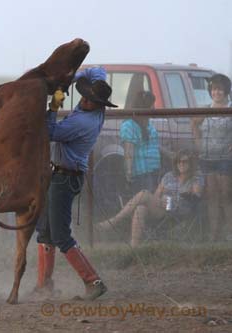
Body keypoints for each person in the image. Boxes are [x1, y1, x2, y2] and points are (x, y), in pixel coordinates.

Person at [34, 67, 117, 300]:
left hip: (64, 178)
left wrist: (53, 107)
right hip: (63, 175)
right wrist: (76, 75)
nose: (83, 99)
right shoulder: (95, 113)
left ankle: (93, 281)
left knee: (59, 235)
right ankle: (44, 285)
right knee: (46, 231)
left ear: (96, 103)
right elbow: (99, 70)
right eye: (84, 94)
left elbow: (49, 132)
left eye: (88, 98)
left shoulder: (82, 122)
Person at [97, 149, 204, 246]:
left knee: (144, 193)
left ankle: (114, 221)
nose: (181, 164)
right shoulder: (169, 176)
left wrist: (176, 194)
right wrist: (161, 200)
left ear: (190, 163)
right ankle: (134, 247)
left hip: (180, 210)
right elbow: (156, 195)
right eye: (178, 162)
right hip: (163, 208)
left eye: (185, 161)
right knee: (140, 209)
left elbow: (195, 195)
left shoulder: (196, 178)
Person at [190, 73, 232, 241]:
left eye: (220, 89)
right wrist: (198, 141)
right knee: (212, 197)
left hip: (225, 159)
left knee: (226, 195)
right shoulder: (205, 108)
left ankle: (229, 232)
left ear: (226, 91)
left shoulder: (230, 108)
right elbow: (194, 123)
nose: (217, 92)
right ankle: (213, 234)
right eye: (214, 89)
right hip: (207, 158)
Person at [121, 91, 161, 195]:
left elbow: (153, 145)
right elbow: (128, 150)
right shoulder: (129, 126)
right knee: (142, 201)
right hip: (141, 174)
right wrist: (129, 171)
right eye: (152, 104)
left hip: (153, 170)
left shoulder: (148, 124)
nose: (154, 107)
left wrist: (169, 154)